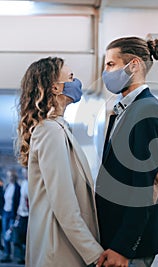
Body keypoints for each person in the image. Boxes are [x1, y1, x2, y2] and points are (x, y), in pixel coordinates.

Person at [95, 37, 158, 267]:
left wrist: (123, 247)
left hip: (132, 248)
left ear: (133, 65)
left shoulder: (147, 110)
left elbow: (146, 185)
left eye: (111, 64)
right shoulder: (127, 109)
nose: (105, 71)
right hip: (118, 238)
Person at [17, 57, 104, 267]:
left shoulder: (58, 128)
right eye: (71, 77)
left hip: (60, 247)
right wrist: (95, 254)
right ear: (55, 88)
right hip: (59, 250)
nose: (77, 82)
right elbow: (65, 205)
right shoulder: (50, 131)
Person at [0, 169, 20, 263]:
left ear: (14, 177)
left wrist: (16, 215)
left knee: (10, 234)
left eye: (11, 176)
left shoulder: (17, 187)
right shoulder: (7, 186)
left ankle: (15, 254)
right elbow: (3, 200)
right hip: (5, 213)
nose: (10, 178)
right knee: (4, 234)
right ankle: (7, 254)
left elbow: (17, 202)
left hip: (12, 214)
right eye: (9, 176)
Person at [13, 168, 29, 264]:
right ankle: (22, 256)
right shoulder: (24, 183)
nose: (24, 174)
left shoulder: (31, 183)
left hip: (29, 214)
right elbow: (21, 200)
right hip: (22, 213)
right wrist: (18, 213)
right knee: (20, 236)